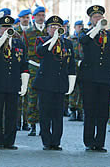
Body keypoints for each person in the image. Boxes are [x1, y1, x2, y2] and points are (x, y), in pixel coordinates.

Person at [0, 15, 29, 150]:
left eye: (9, 27)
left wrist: (24, 83)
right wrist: (3, 38)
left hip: (13, 82)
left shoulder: (19, 43)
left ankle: (10, 141)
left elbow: (24, 64)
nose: (6, 29)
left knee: (12, 113)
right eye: (4, 27)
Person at [79, 5, 110, 152]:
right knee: (90, 111)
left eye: (100, 16)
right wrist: (97, 28)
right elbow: (84, 41)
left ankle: (100, 142)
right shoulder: (85, 33)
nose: (99, 19)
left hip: (104, 79)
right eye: (95, 17)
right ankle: (89, 141)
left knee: (103, 112)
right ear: (90, 19)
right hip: (89, 79)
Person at [34, 15, 76, 150]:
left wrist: (71, 81)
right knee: (45, 113)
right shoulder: (42, 40)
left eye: (58, 27)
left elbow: (71, 64)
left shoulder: (67, 43)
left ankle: (56, 141)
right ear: (47, 29)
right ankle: (46, 141)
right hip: (45, 83)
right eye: (52, 27)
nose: (55, 29)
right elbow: (40, 52)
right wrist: (53, 39)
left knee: (58, 114)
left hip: (59, 82)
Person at [27, 6, 47, 136]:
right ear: (34, 17)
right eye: (38, 15)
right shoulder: (29, 32)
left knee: (44, 98)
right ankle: (32, 124)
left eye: (43, 15)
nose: (41, 17)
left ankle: (43, 125)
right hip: (33, 67)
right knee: (32, 97)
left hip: (46, 67)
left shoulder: (48, 31)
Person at [15, 9, 32, 131]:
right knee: (17, 95)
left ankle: (26, 121)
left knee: (28, 96)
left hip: (30, 66)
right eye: (23, 17)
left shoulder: (32, 31)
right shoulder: (15, 31)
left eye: (27, 17)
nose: (26, 19)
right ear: (19, 18)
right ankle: (17, 121)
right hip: (17, 65)